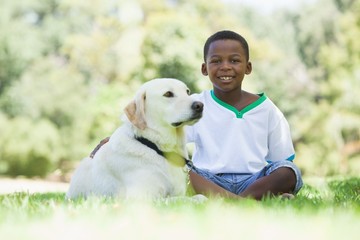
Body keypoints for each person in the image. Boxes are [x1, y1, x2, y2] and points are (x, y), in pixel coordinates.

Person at [90, 30, 303, 200]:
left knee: (289, 171)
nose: (225, 67)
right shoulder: (194, 106)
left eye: (235, 60)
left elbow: (281, 158)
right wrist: (112, 140)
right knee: (184, 172)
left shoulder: (268, 109)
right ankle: (247, 202)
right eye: (216, 61)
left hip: (254, 180)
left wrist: (270, 181)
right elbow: (155, 131)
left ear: (248, 67)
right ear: (204, 68)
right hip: (208, 179)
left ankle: (237, 200)